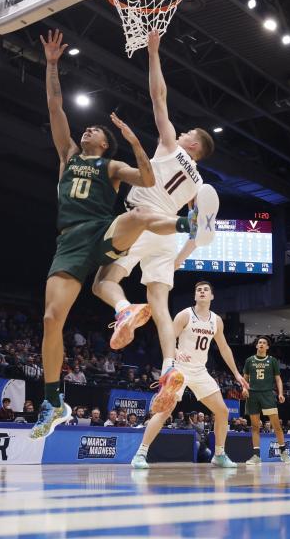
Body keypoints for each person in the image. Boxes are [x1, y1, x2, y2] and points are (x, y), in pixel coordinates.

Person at [32, 30, 206, 441]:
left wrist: (132, 139)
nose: (88, 130)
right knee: (52, 319)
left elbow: (147, 162)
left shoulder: (113, 165)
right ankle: (58, 397)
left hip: (111, 227)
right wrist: (52, 65)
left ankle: (126, 307)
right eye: (87, 129)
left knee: (138, 220)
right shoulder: (69, 156)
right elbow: (54, 105)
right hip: (78, 240)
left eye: (95, 131)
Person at [93, 30, 219, 417]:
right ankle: (169, 367)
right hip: (170, 233)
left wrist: (153, 53)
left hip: (141, 219)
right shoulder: (199, 185)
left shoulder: (169, 146)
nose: (180, 134)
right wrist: (181, 259)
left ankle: (123, 310)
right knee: (161, 305)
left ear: (192, 146)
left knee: (104, 282)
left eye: (187, 135)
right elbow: (201, 235)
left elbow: (158, 96)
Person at [130, 281, 248, 469]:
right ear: (195, 296)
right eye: (198, 290)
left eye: (205, 290)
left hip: (200, 370)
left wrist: (236, 373)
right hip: (178, 367)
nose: (202, 292)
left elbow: (224, 348)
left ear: (212, 296)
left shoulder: (216, 320)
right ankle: (140, 454)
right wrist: (176, 352)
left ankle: (219, 455)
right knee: (164, 412)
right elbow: (168, 337)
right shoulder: (185, 315)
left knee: (223, 411)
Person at [243, 337, 290, 464]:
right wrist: (244, 388)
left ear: (267, 347)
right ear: (256, 346)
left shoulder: (272, 361)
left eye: (264, 343)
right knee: (254, 426)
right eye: (260, 342)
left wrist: (280, 393)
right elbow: (245, 378)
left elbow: (278, 379)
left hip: (267, 394)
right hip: (252, 395)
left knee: (276, 426)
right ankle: (256, 456)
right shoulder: (249, 360)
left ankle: (283, 453)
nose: (261, 344)